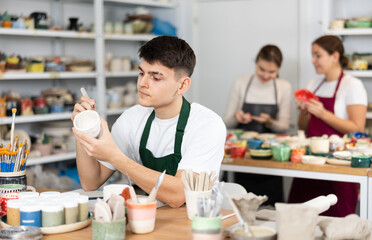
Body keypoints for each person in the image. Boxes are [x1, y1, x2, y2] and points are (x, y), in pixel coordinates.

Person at [71, 35, 226, 208]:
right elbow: (90, 182)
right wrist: (83, 127)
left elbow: (179, 194)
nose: (142, 83)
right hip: (149, 218)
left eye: (156, 78)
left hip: (194, 222)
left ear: (182, 85)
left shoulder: (206, 124)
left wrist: (115, 157)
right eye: (141, 73)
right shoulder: (132, 119)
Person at [289, 35, 367, 217]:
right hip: (309, 164)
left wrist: (323, 113)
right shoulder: (313, 85)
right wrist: (304, 113)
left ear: (335, 56)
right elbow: (303, 127)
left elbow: (357, 128)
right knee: (299, 220)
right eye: (312, 55)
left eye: (318, 55)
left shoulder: (352, 85)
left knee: (335, 223)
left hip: (338, 166)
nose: (312, 60)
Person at [224, 45, 292, 206]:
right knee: (241, 204)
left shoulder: (283, 87)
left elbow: (284, 127)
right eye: (262, 69)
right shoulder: (241, 83)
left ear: (278, 69)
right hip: (244, 155)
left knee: (271, 208)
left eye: (272, 72)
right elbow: (226, 122)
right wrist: (237, 116)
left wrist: (270, 122)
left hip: (271, 158)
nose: (266, 75)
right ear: (256, 62)